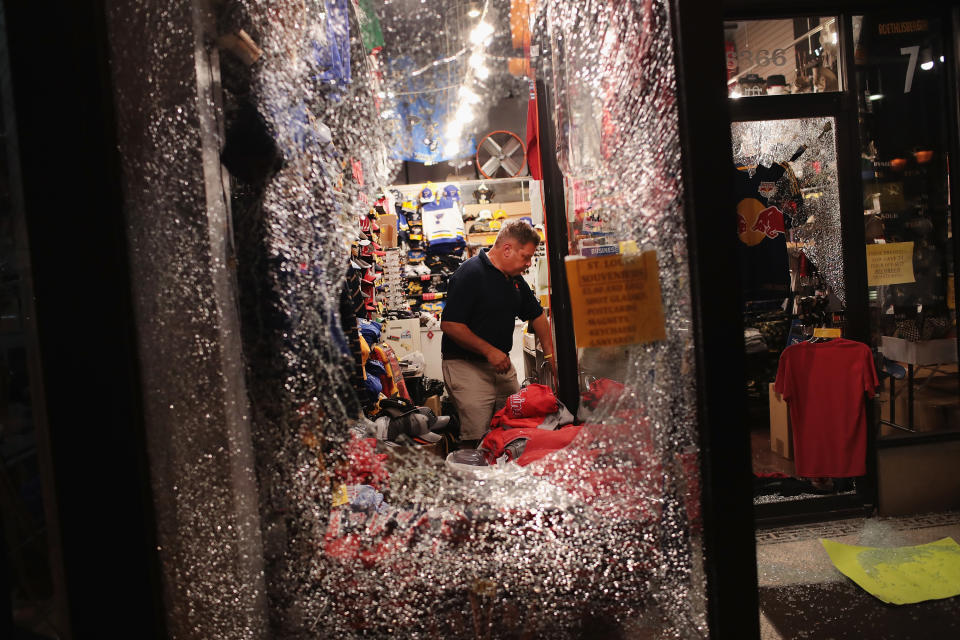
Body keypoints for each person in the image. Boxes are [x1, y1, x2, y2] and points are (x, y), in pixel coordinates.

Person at [440, 219, 556, 448]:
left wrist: (552, 358)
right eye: (526, 256)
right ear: (507, 249)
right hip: (466, 367)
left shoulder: (513, 280)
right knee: (478, 437)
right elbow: (451, 324)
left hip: (500, 367)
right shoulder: (470, 273)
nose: (529, 263)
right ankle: (475, 481)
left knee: (518, 424)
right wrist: (489, 351)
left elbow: (538, 316)